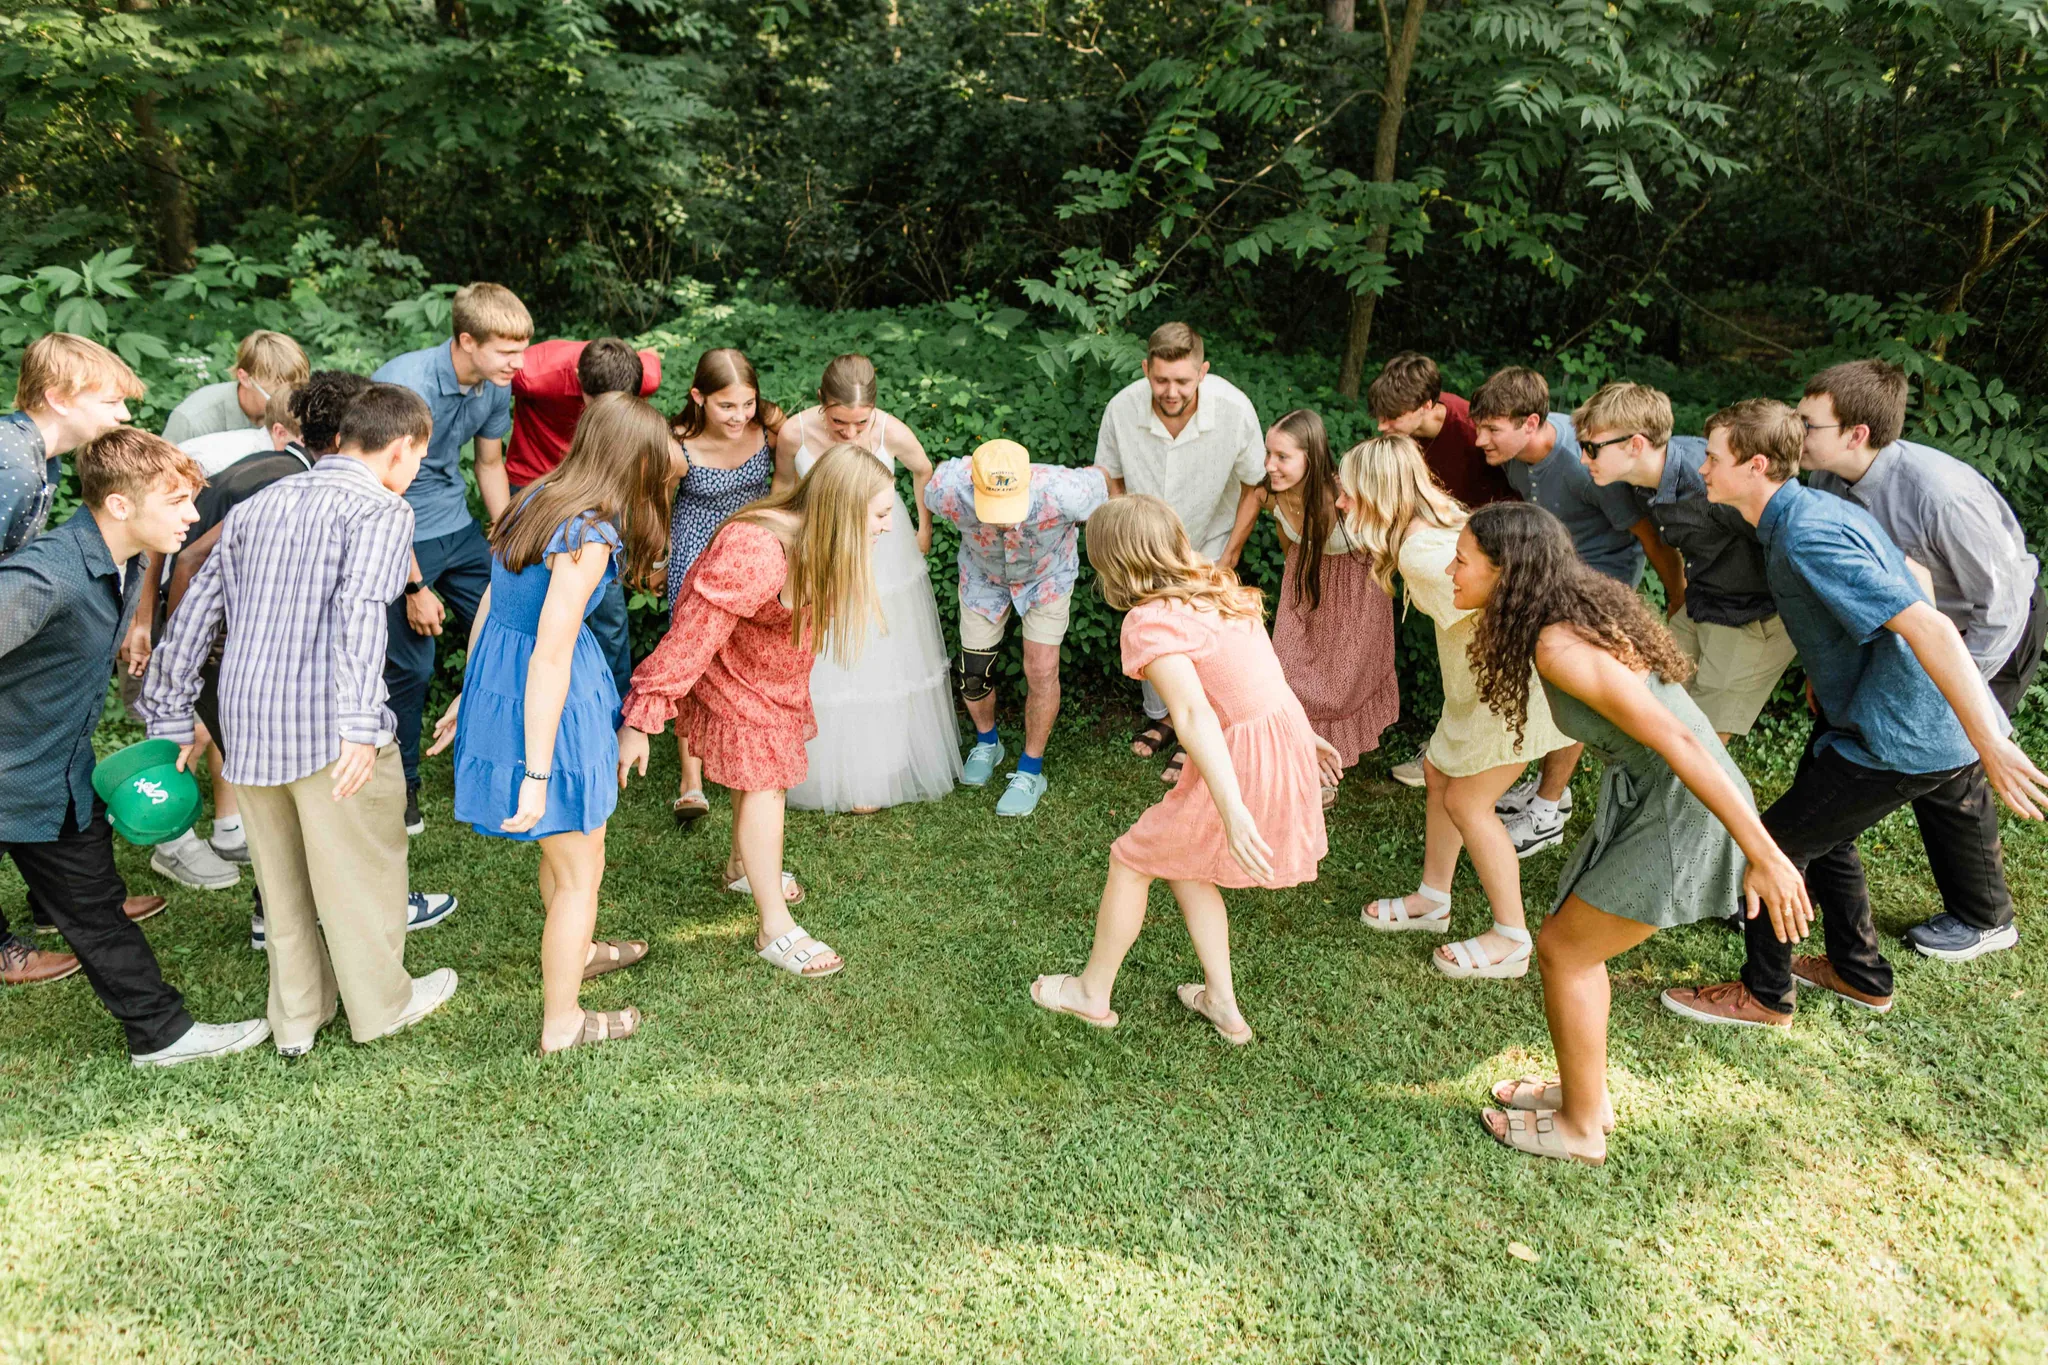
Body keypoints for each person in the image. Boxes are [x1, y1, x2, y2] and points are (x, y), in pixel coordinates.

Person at [1660, 400, 2048, 1029]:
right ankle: (1858, 974)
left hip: (1900, 736)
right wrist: (1834, 671)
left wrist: (1992, 739)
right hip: (1873, 717)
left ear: (1755, 465)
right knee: (1824, 832)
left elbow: (1928, 621)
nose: (1700, 468)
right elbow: (1915, 574)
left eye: (1713, 457)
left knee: (1774, 848)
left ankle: (1764, 995)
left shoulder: (1807, 534)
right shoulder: (1814, 509)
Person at [1458, 501, 1809, 1165]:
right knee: (1571, 943)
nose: (1452, 571)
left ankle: (1582, 1126)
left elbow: (1678, 735)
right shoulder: (1564, 618)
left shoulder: (1560, 644)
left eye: (1463, 561)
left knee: (1566, 949)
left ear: (1507, 574)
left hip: (1681, 810)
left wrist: (1766, 853)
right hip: (1656, 797)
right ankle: (1584, 1095)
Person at [141, 384, 460, 1057]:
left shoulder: (261, 504)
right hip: (328, 728)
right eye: (420, 457)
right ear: (401, 449)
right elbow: (359, 613)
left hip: (249, 722)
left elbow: (197, 611)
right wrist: (357, 724)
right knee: (364, 874)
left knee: (282, 884)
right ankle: (383, 1006)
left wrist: (168, 716)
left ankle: (296, 1020)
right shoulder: (381, 508)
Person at [0, 426, 270, 1064]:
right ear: (119, 504)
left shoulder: (127, 561)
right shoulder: (46, 578)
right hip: (16, 771)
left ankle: (160, 1033)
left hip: (51, 774)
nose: (194, 514)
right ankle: (162, 1032)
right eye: (176, 501)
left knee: (94, 905)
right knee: (94, 907)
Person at [1026, 495, 1337, 1044]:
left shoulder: (1152, 621)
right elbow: (1261, 673)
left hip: (1237, 759)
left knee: (1131, 860)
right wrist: (1302, 731)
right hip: (1271, 734)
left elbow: (1192, 715)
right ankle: (1222, 1004)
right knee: (1186, 868)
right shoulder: (1213, 584)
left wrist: (1234, 809)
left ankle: (1090, 993)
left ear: (1112, 563)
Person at [429, 394, 672, 1052]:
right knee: (578, 865)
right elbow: (552, 649)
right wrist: (535, 773)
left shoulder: (540, 493)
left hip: (508, 680)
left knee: (569, 848)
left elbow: (492, 595)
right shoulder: (590, 531)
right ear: (636, 463)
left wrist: (469, 686)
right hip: (545, 692)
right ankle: (563, 1020)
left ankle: (581, 947)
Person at [618, 444, 894, 980]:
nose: (886, 526)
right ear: (842, 506)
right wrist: (642, 716)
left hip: (771, 672)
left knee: (768, 773)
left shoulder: (820, 536)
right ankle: (774, 926)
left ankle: (742, 867)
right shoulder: (759, 550)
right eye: (880, 514)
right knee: (766, 778)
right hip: (728, 666)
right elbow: (693, 637)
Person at [1799, 359, 2045, 961]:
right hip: (1905, 629)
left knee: (1946, 762)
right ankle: (1791, 877)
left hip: (1990, 633)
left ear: (1857, 434)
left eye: (1808, 424)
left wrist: (1949, 696)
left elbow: (2001, 607)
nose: (1794, 433)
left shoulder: (1941, 495)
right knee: (1837, 740)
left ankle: (1985, 917)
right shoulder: (1827, 481)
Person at [1344, 435, 1570, 980]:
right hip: (1481, 689)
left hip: (1510, 693)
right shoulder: (1444, 527)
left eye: (1349, 495)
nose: (1341, 505)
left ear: (1377, 495)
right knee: (1439, 774)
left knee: (1469, 803)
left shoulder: (1421, 555)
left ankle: (1512, 938)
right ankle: (1433, 899)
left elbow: (1511, 595)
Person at [1470, 366, 1684, 857]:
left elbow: (1647, 536)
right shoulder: (1514, 457)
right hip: (1556, 574)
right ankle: (1550, 789)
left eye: (1491, 429)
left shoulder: (1581, 461)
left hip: (1599, 581)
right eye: (1479, 427)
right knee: (1546, 686)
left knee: (1575, 690)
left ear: (1530, 423)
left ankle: (1547, 811)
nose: (1481, 440)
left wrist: (1678, 600)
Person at [1, 334, 154, 987]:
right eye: (110, 398)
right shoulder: (11, 462)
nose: (121, 413)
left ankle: (61, 903)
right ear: (60, 396)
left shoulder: (37, 459)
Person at [373, 282, 533, 834]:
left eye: (523, 349)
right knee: (411, 667)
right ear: (467, 340)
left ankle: (506, 764)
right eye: (507, 351)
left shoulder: (493, 386)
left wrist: (513, 541)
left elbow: (489, 465)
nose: (520, 362)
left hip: (455, 526)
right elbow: (379, 491)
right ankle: (402, 787)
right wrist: (415, 586)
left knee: (517, 622)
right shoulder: (404, 384)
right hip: (397, 534)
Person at [776, 354, 959, 813]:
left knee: (878, 654)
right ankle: (816, 770)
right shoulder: (793, 433)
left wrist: (923, 527)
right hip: (820, 544)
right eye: (840, 422)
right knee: (823, 652)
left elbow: (923, 470)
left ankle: (876, 768)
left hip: (881, 546)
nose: (851, 434)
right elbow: (781, 490)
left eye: (860, 423)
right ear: (822, 403)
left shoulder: (888, 430)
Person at [1575, 381, 1795, 743]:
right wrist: (1680, 598)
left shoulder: (1710, 481)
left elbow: (1785, 539)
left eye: (1592, 448)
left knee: (1701, 742)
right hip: (1701, 601)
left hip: (1752, 616)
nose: (1584, 459)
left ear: (1636, 445)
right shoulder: (1632, 482)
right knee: (1647, 703)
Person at [1095, 323, 1266, 769]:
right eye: (1161, 379)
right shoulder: (1121, 408)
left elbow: (1255, 485)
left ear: (1203, 372)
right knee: (1156, 630)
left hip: (1210, 538)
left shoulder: (1234, 409)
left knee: (1203, 637)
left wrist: (1229, 555)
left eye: (1183, 381)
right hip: (1145, 544)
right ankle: (1167, 718)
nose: (1171, 391)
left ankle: (1199, 737)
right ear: (1145, 369)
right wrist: (1125, 534)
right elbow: (1108, 472)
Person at [922, 438, 1108, 816]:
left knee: (1041, 670)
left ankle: (1031, 768)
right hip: (983, 576)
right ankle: (988, 743)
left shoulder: (1066, 491)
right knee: (973, 673)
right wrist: (922, 532)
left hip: (1046, 577)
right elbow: (922, 481)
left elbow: (1105, 482)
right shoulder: (948, 488)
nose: (1004, 519)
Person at [507, 336, 663, 703]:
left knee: (607, 603)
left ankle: (614, 704)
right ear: (578, 378)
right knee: (529, 600)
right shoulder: (531, 374)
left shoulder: (644, 375)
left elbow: (653, 357)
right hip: (536, 482)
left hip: (601, 486)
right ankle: (528, 692)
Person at [665, 348, 783, 826]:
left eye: (747, 404)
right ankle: (690, 782)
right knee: (691, 656)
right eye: (727, 406)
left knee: (750, 656)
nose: (740, 416)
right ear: (699, 397)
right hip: (697, 550)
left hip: (754, 551)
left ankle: (743, 755)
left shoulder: (770, 426)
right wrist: (658, 558)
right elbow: (659, 505)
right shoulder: (678, 443)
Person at [1263, 408, 1398, 804]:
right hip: (1304, 585)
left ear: (1313, 456)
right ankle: (1295, 753)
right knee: (1283, 670)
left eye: (1283, 457)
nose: (1271, 465)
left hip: (1354, 594)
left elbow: (1384, 536)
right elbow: (1291, 546)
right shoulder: (1271, 490)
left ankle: (1321, 767)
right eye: (1268, 453)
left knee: (1334, 688)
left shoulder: (1343, 497)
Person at [1368, 351, 1518, 509]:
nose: (1381, 426)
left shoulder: (1473, 432)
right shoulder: (1401, 423)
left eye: (1392, 417)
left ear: (1425, 406)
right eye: (1380, 415)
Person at [160, 330, 309, 445]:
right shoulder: (192, 421)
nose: (291, 401)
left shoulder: (301, 413)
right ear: (244, 378)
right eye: (279, 391)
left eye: (297, 390)